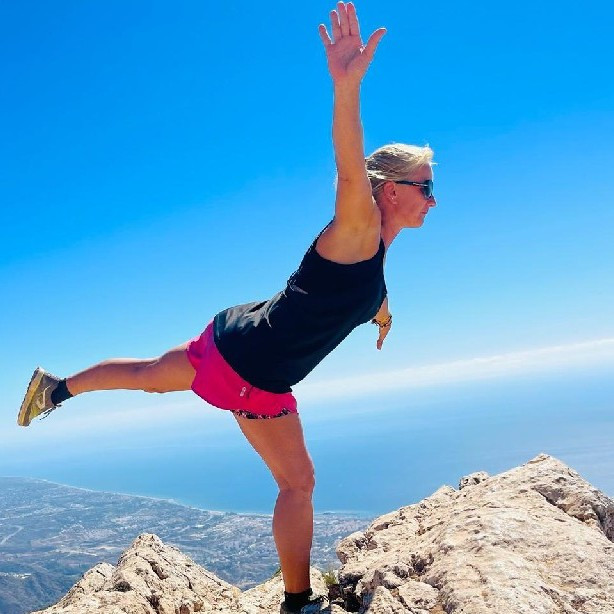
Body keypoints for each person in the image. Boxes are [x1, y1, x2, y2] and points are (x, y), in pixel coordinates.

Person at [17, 3, 436, 613]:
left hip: (230, 335)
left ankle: (55, 389)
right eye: (427, 187)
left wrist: (381, 310)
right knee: (297, 484)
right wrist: (346, 88)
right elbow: (350, 173)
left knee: (147, 374)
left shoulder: (372, 249)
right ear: (392, 190)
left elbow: (359, 286)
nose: (433, 200)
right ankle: (297, 601)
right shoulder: (359, 225)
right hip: (255, 372)